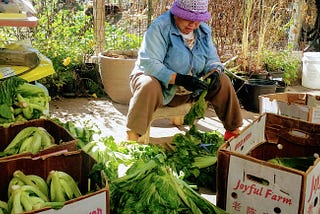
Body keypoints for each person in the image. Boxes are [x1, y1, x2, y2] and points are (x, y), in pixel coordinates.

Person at [126, 0, 243, 142]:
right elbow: (149, 63)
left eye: (198, 20)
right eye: (188, 18)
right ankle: (132, 139)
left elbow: (212, 59)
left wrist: (214, 72)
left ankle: (233, 133)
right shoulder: (160, 27)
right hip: (161, 89)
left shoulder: (203, 31)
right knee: (148, 84)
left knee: (222, 81)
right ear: (176, 13)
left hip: (190, 90)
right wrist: (179, 79)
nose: (193, 25)